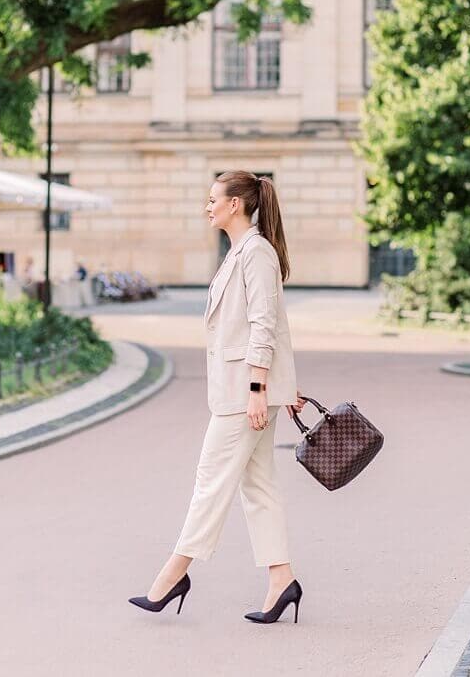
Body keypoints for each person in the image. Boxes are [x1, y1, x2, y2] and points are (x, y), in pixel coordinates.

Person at [128, 171, 306, 624]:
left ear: (236, 205)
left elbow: (265, 323)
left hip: (242, 395)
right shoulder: (239, 254)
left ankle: (174, 574)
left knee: (211, 480)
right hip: (243, 390)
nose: (207, 207)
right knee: (258, 486)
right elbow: (257, 327)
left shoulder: (256, 253)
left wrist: (258, 388)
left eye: (213, 199)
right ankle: (282, 580)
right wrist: (273, 384)